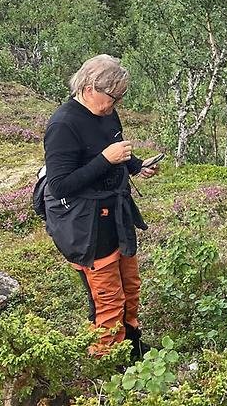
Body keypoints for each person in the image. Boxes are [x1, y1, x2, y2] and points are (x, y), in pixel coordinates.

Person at [42, 55, 160, 356]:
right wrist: (105, 159)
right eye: (113, 97)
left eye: (119, 99)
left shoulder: (106, 113)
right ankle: (107, 361)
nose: (115, 105)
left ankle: (132, 344)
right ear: (91, 87)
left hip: (115, 216)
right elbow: (59, 185)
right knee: (107, 299)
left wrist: (135, 165)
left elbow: (113, 148)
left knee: (130, 287)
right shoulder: (63, 124)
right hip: (86, 225)